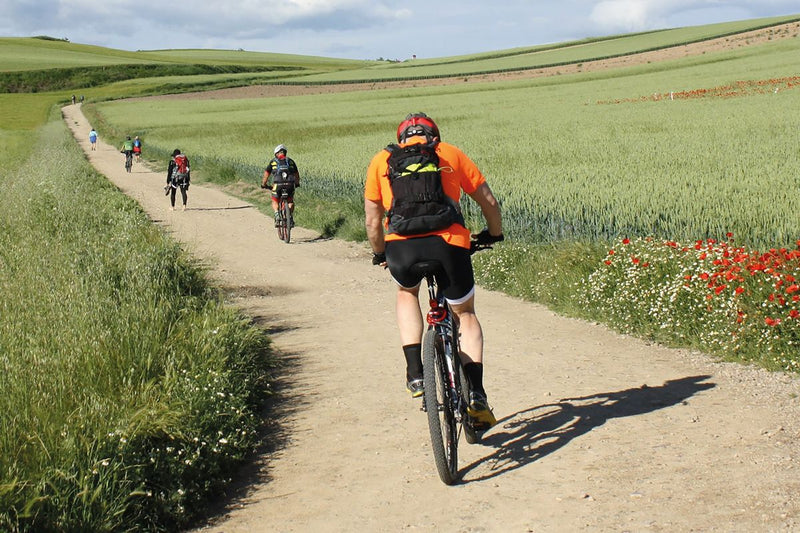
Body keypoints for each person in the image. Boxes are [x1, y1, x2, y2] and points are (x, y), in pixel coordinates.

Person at [364, 112, 504, 431]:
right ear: (434, 136)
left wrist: (379, 253)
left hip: (401, 247)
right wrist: (493, 233)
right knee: (464, 314)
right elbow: (489, 202)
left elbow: (373, 221)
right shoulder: (449, 153)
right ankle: (477, 395)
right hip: (450, 244)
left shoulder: (380, 161)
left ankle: (415, 373)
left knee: (407, 291)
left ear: (402, 139)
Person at [261, 144, 300, 226]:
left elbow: (266, 174)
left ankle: (277, 214)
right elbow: (296, 174)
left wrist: (264, 184)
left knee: (275, 199)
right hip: (290, 184)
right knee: (290, 200)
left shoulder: (273, 162)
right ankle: (289, 217)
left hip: (278, 184)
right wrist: (296, 183)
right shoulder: (291, 161)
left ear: (276, 154)